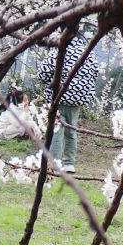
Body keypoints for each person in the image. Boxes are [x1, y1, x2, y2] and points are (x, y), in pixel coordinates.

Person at [35, 32, 98, 170]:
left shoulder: (57, 50)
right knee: (71, 130)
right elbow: (95, 72)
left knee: (56, 130)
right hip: (78, 98)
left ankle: (54, 162)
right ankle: (69, 163)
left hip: (57, 97)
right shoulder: (88, 52)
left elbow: (42, 74)